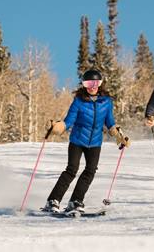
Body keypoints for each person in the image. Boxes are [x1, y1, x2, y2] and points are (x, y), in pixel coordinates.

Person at [43, 69, 130, 213]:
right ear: (84, 84)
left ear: (100, 83)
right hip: (77, 140)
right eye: (89, 83)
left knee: (90, 171)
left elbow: (110, 122)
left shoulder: (106, 102)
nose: (93, 86)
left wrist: (118, 135)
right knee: (71, 170)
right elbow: (69, 121)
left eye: (96, 82)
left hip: (95, 142)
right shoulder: (78, 101)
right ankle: (53, 200)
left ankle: (76, 201)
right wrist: (58, 127)